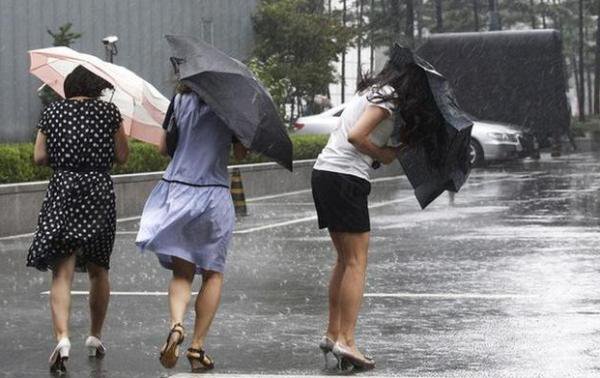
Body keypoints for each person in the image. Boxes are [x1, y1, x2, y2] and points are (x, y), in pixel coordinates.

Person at [311, 59, 443, 371]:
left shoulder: (373, 92)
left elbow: (359, 136)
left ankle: (333, 334)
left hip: (326, 173)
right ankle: (347, 341)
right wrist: (383, 154)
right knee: (356, 262)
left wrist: (393, 147)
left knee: (344, 260)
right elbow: (357, 137)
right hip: (345, 177)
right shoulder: (388, 99)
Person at [135, 83, 247, 372]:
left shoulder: (180, 100)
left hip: (178, 191)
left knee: (182, 272)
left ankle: (176, 325)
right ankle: (196, 348)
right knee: (213, 274)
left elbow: (164, 148)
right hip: (213, 194)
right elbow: (241, 154)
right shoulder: (232, 105)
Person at [27, 65, 129, 373]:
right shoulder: (109, 113)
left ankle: (63, 337)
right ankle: (95, 336)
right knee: (99, 269)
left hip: (64, 190)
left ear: (69, 87)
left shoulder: (54, 113)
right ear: (95, 86)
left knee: (62, 271)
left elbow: (39, 157)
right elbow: (122, 156)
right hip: (98, 191)